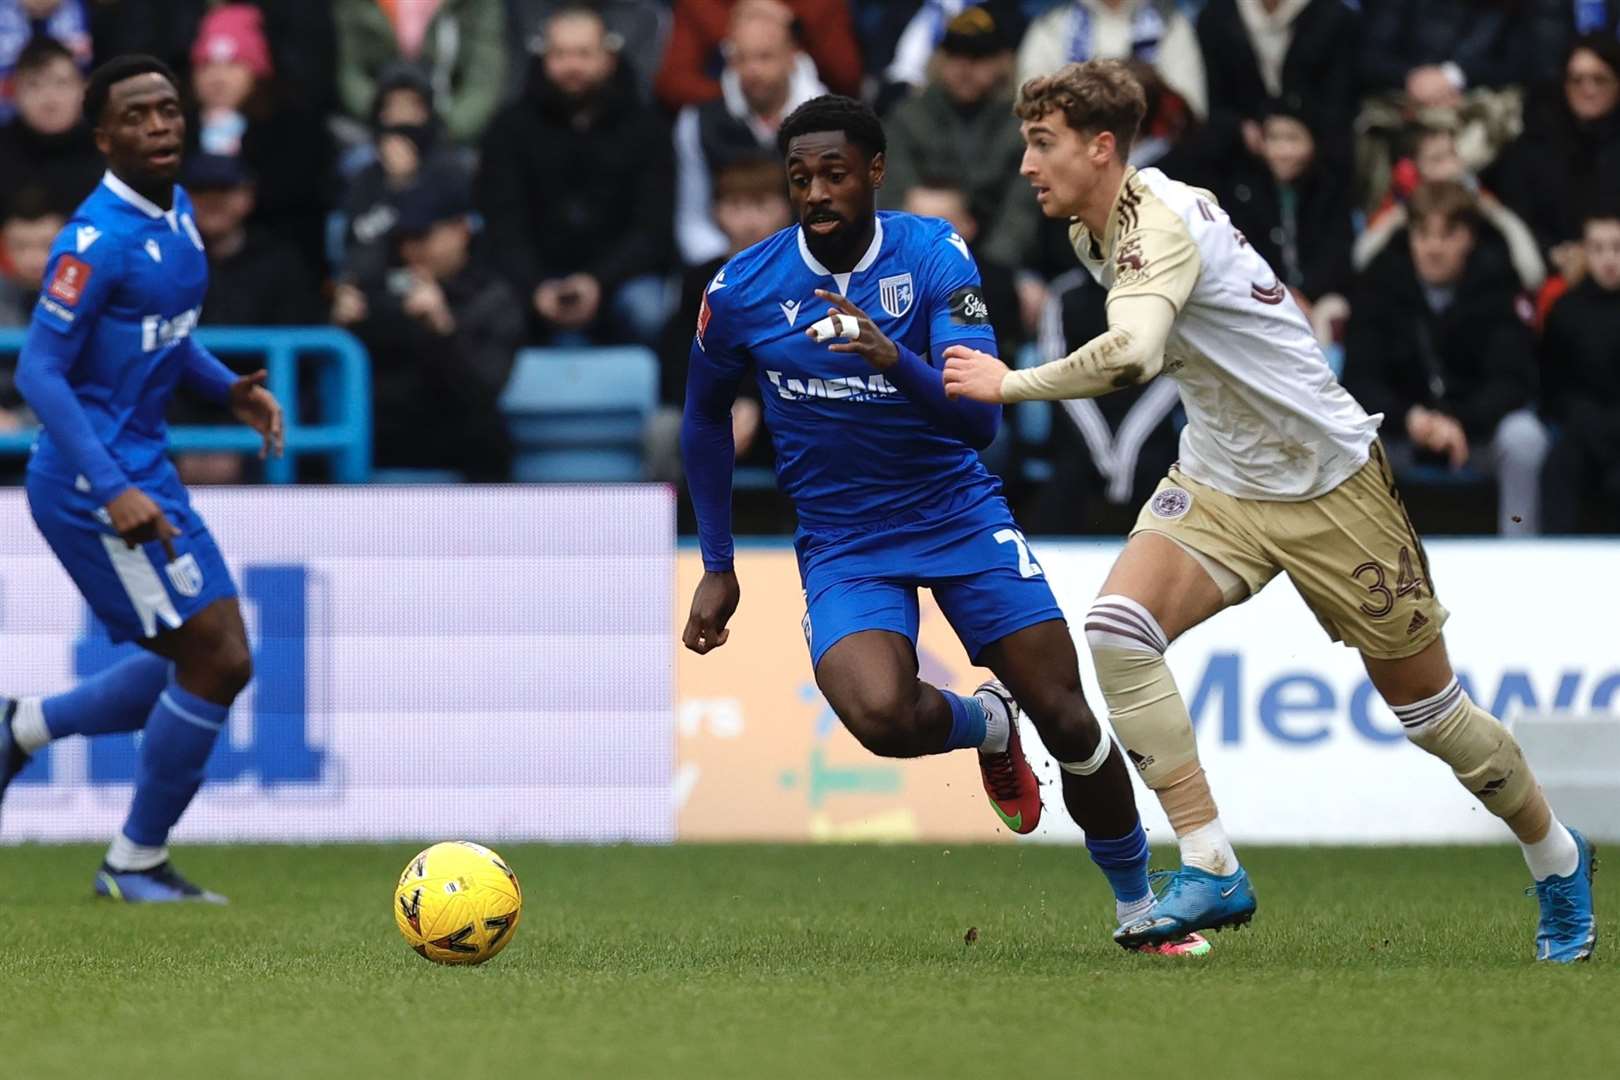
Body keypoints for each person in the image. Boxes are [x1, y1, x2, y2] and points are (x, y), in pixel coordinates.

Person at [941, 60, 1596, 962]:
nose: (1025, 165)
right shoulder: (1104, 227)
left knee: (1433, 715)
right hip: (1219, 480)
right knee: (1118, 630)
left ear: (1102, 148)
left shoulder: (1154, 225)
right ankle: (1210, 863)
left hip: (1327, 482)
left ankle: (1558, 859)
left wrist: (1007, 383)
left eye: (1042, 143)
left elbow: (1132, 354)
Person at [680, 93, 1207, 956]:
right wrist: (718, 561)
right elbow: (703, 419)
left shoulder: (935, 259)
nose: (816, 192)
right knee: (883, 717)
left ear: (877, 173)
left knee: (1069, 716)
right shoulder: (742, 289)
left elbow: (980, 425)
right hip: (845, 539)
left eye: (835, 174)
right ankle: (986, 726)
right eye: (800, 176)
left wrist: (892, 358)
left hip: (956, 510)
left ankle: (1141, 909)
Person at [0, 56, 285, 903]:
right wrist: (112, 487)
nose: (161, 125)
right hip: (95, 485)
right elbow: (42, 375)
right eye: (138, 116)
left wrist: (223, 384)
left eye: (168, 110)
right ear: (103, 137)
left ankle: (24, 727)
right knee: (217, 655)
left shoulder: (178, 211)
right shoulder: (92, 243)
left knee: (205, 656)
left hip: (145, 468)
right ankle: (133, 862)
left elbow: (165, 334)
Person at [1342, 180, 1548, 535]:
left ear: (1468, 237)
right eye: (1423, 235)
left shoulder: (1497, 284)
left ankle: (1520, 556)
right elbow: (1359, 379)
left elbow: (1513, 380)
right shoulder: (1379, 284)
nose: (1433, 248)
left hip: (1476, 434)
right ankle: (1366, 573)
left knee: (1524, 438)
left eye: (1447, 235)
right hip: (1401, 432)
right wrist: (1413, 420)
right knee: (1347, 441)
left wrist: (1458, 422)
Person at [478, 4, 673, 345]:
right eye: (561, 54)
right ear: (542, 59)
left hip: (620, 278)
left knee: (650, 310)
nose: (572, 66)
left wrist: (598, 281)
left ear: (608, 58)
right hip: (536, 277)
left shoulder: (647, 129)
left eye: (584, 53)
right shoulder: (509, 128)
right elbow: (502, 224)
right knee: (494, 308)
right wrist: (536, 286)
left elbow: (653, 229)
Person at [340, 177, 519, 480]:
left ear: (461, 230)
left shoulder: (493, 296)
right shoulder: (377, 286)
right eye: (403, 239)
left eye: (422, 236)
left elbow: (484, 390)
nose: (412, 250)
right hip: (380, 423)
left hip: (449, 423)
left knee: (489, 435)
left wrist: (442, 328)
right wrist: (339, 327)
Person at [673, 1, 826, 266]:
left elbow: (847, 213)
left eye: (765, 56)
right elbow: (693, 220)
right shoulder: (698, 122)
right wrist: (731, 269)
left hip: (813, 264)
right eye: (741, 58)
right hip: (726, 266)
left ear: (792, 57)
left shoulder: (831, 122)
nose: (752, 70)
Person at [1539, 208, 1620, 533]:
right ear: (1584, 252)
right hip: (1581, 431)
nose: (1609, 259)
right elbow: (1550, 387)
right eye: (1598, 248)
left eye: (1617, 247)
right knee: (1558, 467)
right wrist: (1580, 418)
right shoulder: (1565, 310)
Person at [333, 0, 507, 145]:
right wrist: (385, 115)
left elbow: (483, 80)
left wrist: (444, 129)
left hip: (449, 126)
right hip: (375, 126)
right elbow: (350, 70)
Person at [1016, 0, 1206, 120]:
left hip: (1156, 157)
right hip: (1073, 152)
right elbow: (1032, 103)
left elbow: (1189, 107)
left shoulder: (1169, 23)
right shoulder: (1053, 26)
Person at [655, 0, 861, 109]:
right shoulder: (702, 5)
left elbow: (847, 78)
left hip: (810, 119)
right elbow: (672, 84)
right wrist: (742, 100)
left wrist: (794, 27)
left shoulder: (818, 4)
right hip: (729, 134)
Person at [0, 35, 101, 217]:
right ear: (14, 94)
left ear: (84, 89)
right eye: (34, 86)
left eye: (61, 83)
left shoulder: (112, 151)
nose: (49, 100)